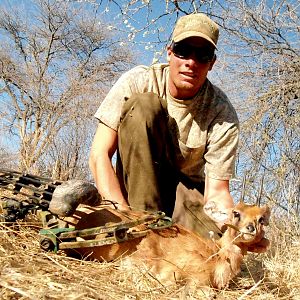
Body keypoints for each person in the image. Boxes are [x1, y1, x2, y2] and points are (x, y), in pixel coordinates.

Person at [89, 13, 239, 237]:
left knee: (215, 248)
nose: (191, 62)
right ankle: (142, 228)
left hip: (183, 193)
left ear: (212, 63)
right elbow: (99, 154)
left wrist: (233, 228)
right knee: (143, 105)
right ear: (169, 52)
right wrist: (119, 211)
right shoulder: (138, 81)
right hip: (131, 188)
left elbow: (217, 192)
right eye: (183, 50)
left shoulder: (222, 113)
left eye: (203, 55)